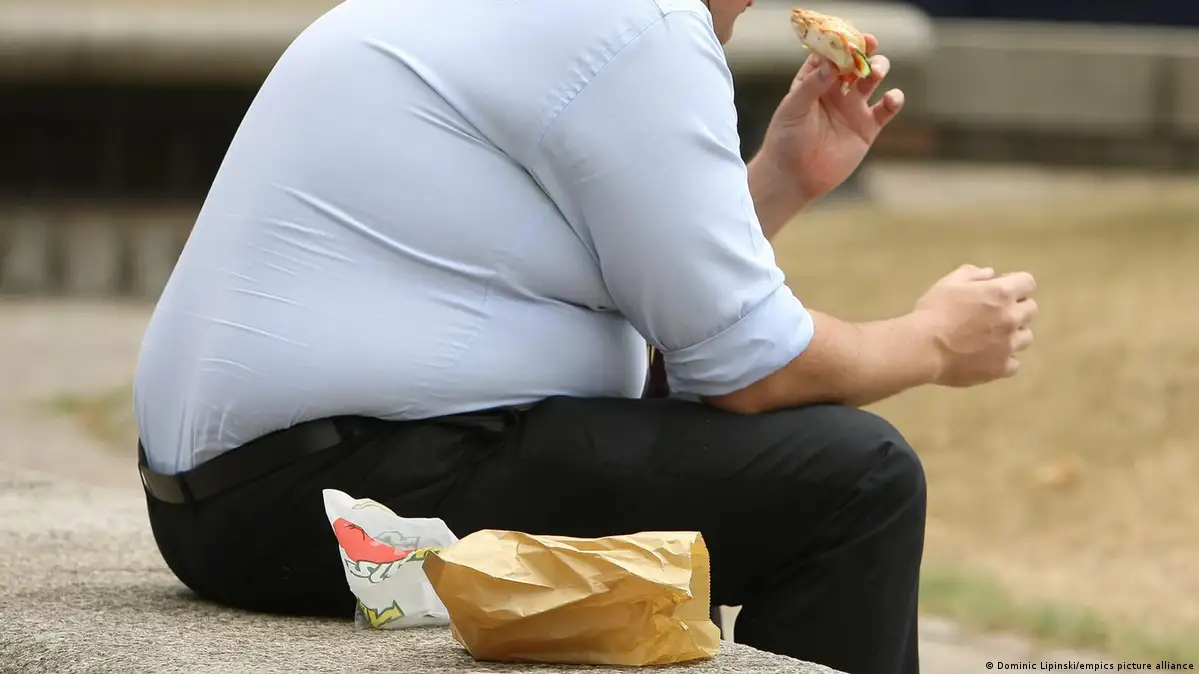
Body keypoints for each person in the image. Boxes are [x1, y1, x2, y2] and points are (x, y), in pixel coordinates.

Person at [132, 1, 1038, 673]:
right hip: (339, 511)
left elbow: (661, 308)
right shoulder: (640, 23)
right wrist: (932, 341)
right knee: (854, 482)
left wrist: (778, 179)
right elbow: (753, 371)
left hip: (228, 506)